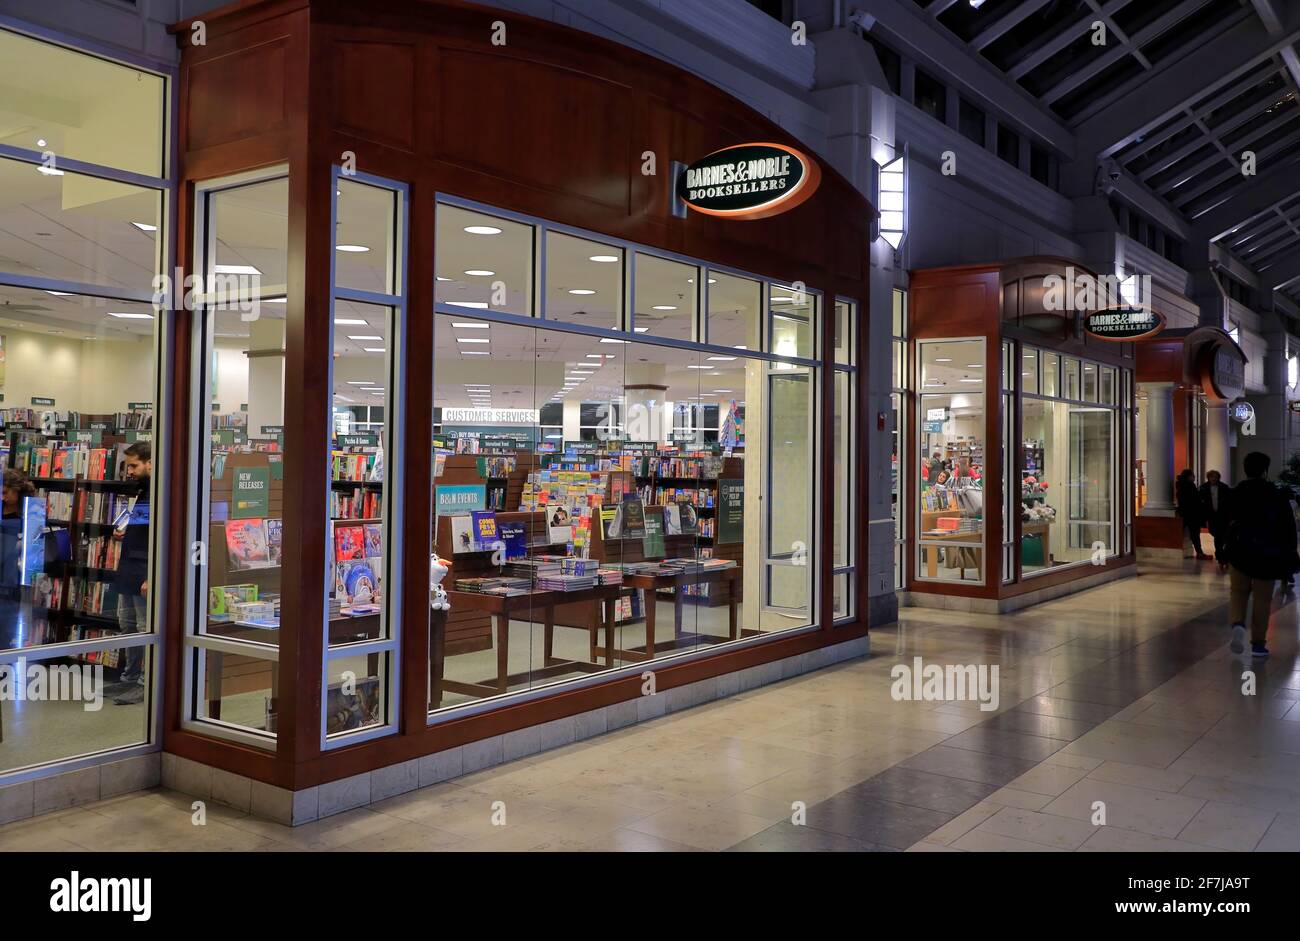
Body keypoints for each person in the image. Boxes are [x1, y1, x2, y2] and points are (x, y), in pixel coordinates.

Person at [1222, 451, 1300, 659]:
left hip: (1239, 551)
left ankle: (1238, 623)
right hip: (1267, 554)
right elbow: (1287, 527)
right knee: (1262, 599)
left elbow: (1225, 522)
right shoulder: (1275, 495)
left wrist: (1224, 548)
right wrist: (1291, 551)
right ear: (1265, 470)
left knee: (1238, 592)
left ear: (1245, 469)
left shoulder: (1235, 493)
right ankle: (1258, 644)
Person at [110, 442, 151, 705]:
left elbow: (163, 537)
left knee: (145, 628)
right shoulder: (143, 490)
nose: (131, 471)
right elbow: (144, 526)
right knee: (127, 625)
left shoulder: (162, 491)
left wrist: (153, 576)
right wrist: (124, 530)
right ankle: (128, 679)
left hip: (144, 570)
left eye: (134, 465)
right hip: (128, 567)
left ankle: (145, 684)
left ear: (150, 463)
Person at [0, 470, 37, 652]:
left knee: (5, 636)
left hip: (12, 586)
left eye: (5, 492)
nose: (2, 497)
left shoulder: (31, 512)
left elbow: (36, 552)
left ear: (17, 490)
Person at [1199, 470, 1232, 569]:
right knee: (1216, 535)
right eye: (1211, 477)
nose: (1213, 479)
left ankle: (1221, 556)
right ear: (1208, 478)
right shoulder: (1203, 488)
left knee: (1221, 536)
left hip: (1223, 516)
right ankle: (1220, 555)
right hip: (1211, 516)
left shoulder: (1224, 488)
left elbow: (1229, 503)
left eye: (1215, 477)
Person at [1176, 468, 1210, 560]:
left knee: (1187, 533)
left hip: (1185, 513)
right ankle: (1199, 553)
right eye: (1192, 475)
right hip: (1191, 514)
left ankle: (1198, 552)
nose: (1194, 477)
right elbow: (1195, 500)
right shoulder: (1189, 487)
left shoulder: (1181, 486)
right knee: (1195, 534)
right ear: (1188, 477)